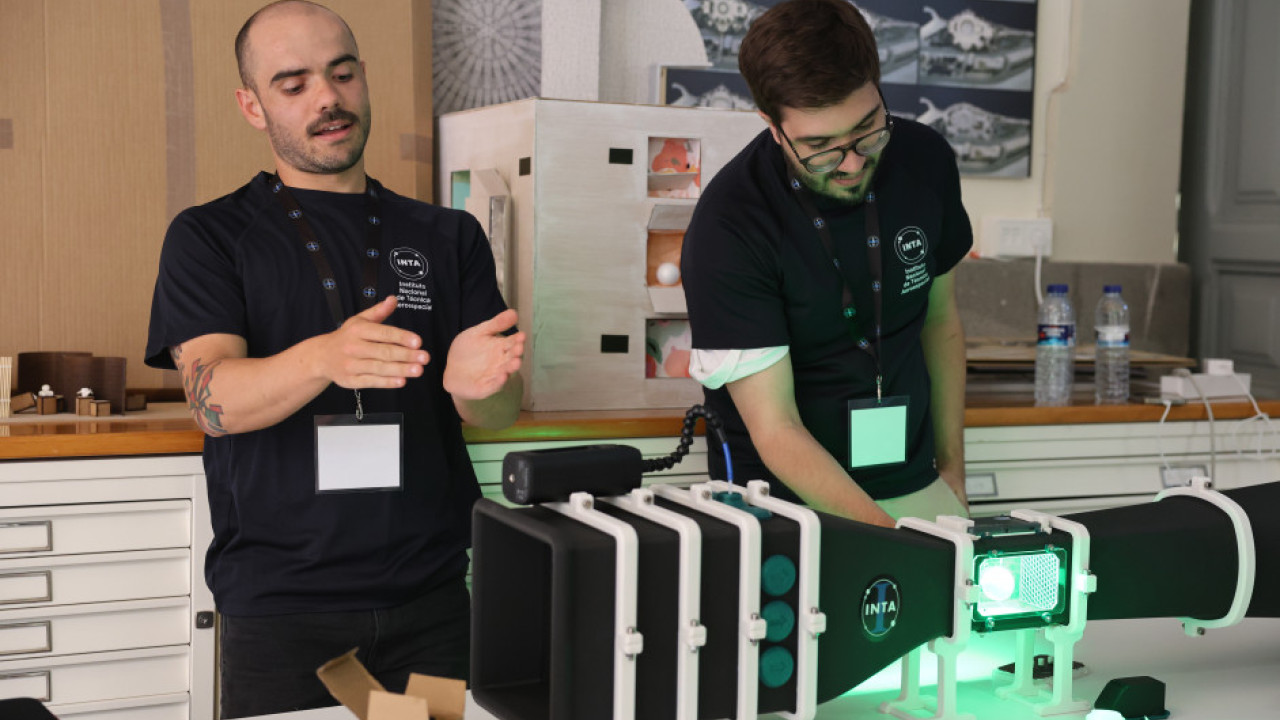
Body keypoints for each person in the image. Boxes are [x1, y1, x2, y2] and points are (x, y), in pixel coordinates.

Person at [144, 2, 524, 717]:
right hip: (284, 614)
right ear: (251, 106)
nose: (327, 98)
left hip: (430, 605)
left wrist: (478, 390)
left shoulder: (448, 235)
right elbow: (211, 401)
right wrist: (324, 357)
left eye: (342, 74)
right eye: (294, 85)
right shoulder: (211, 236)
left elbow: (497, 412)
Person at [681, 0, 971, 528]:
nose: (853, 162)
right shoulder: (731, 224)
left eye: (867, 129)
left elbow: (940, 319)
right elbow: (777, 429)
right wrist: (897, 547)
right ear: (772, 126)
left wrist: (952, 470)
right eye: (820, 147)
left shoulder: (926, 161)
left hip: (912, 480)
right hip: (780, 507)